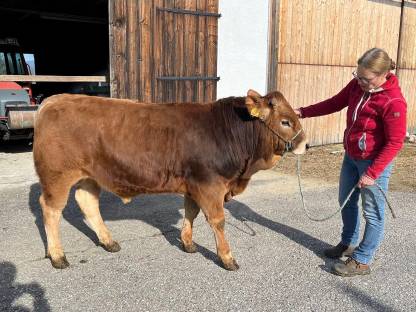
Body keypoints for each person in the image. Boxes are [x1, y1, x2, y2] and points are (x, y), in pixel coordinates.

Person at [295, 48, 407, 277]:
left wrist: (373, 173)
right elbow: (335, 102)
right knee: (345, 202)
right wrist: (303, 112)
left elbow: (395, 142)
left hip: (373, 164)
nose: (360, 82)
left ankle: (363, 260)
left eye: (366, 79)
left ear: (383, 74)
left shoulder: (393, 101)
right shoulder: (357, 86)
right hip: (351, 156)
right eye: (358, 75)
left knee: (373, 213)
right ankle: (348, 243)